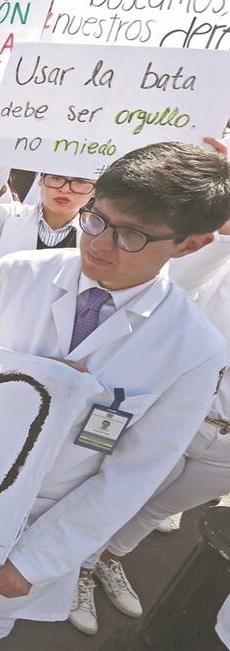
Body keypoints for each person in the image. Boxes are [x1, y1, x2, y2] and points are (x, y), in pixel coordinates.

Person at [0, 141, 230, 651]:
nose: (99, 242)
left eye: (133, 235)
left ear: (190, 245)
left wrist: (37, 560)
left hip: (42, 515)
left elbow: (133, 475)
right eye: (96, 218)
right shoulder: (19, 273)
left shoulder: (192, 349)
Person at [67, 189, 230, 635]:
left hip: (227, 449)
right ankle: (78, 569)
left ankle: (108, 562)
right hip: (188, 420)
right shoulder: (220, 264)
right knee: (126, 488)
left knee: (155, 512)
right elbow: (179, 276)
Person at [0, 121, 92, 272]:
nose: (65, 189)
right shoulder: (6, 219)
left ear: (95, 190)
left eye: (79, 181)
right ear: (40, 180)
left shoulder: (96, 237)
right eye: (56, 178)